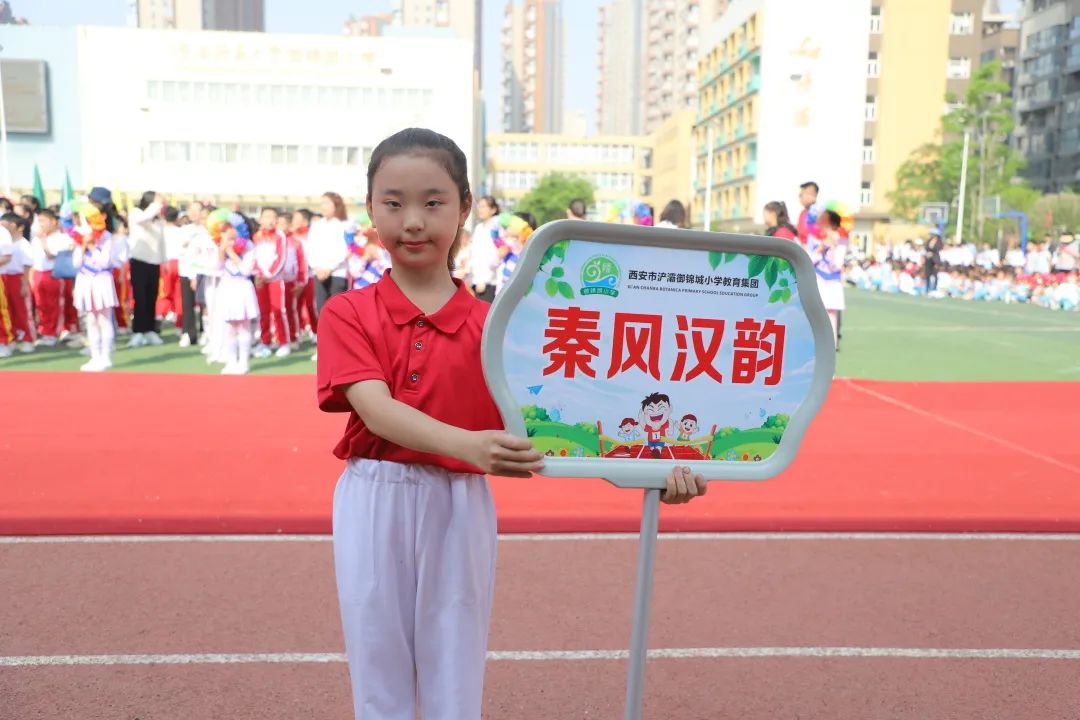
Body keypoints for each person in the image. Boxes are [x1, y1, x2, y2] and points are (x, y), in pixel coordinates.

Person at [316, 127, 707, 720]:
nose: (413, 221)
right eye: (393, 203)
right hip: (375, 494)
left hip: (459, 500)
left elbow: (571, 423)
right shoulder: (348, 310)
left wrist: (656, 471)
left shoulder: (500, 327)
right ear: (369, 207)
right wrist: (470, 446)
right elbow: (376, 409)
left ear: (466, 207)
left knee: (455, 655)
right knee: (378, 658)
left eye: (433, 201)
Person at [71, 205, 118, 371]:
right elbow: (76, 263)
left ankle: (106, 356)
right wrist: (83, 246)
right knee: (91, 320)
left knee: (104, 319)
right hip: (85, 281)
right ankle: (94, 356)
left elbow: (105, 262)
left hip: (101, 280)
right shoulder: (79, 238)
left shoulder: (107, 238)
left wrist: (92, 247)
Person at [213, 217, 259, 375]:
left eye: (230, 230)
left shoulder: (249, 246)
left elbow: (246, 271)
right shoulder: (221, 247)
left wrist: (231, 253)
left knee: (243, 327)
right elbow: (216, 269)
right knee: (230, 327)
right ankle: (231, 361)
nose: (227, 235)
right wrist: (221, 251)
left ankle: (244, 361)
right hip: (227, 289)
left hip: (242, 288)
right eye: (224, 231)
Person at [127, 191, 166, 346]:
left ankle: (150, 330)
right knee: (140, 297)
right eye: (157, 201)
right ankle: (138, 331)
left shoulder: (158, 219)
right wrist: (156, 205)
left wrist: (164, 260)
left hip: (154, 261)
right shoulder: (136, 213)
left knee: (152, 296)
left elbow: (161, 241)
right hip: (139, 260)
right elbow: (143, 220)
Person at [252, 207, 292, 358]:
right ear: (261, 219)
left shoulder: (280, 236)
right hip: (261, 281)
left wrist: (267, 275)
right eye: (267, 216)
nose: (270, 220)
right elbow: (253, 257)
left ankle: (284, 342)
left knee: (278, 311)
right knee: (263, 312)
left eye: (273, 217)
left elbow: (280, 259)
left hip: (275, 280)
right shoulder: (257, 237)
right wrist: (257, 274)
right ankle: (265, 341)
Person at [29, 208, 70, 346]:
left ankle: (53, 333)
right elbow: (33, 260)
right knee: (41, 305)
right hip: (38, 274)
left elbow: (51, 255)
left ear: (53, 222)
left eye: (43, 221)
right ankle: (45, 331)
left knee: (53, 304)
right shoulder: (36, 239)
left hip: (54, 274)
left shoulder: (62, 237)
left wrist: (43, 241)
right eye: (39, 221)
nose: (40, 224)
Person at [307, 192, 350, 317]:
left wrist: (329, 268)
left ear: (336, 205)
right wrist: (316, 267)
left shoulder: (345, 225)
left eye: (327, 203)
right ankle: (323, 336)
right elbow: (310, 248)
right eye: (322, 203)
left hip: (338, 272)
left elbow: (345, 249)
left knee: (337, 311)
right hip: (319, 272)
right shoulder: (316, 226)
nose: (323, 206)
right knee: (321, 309)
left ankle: (338, 337)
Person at [811, 209, 846, 349]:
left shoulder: (841, 242)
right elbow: (809, 260)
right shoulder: (816, 239)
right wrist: (820, 248)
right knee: (815, 314)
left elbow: (837, 265)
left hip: (832, 283)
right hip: (818, 280)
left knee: (831, 316)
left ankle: (830, 348)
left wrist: (832, 249)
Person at [0, 212, 34, 352]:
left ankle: (28, 339)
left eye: (4, 224)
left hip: (18, 278)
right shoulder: (6, 241)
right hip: (4, 277)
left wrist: (25, 283)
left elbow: (27, 265)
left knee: (22, 310)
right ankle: (12, 337)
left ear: (13, 225)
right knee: (9, 310)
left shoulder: (24, 244)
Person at [468, 195, 502, 302]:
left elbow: (497, 255)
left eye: (483, 206)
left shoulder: (498, 227)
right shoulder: (479, 228)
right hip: (477, 282)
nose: (479, 209)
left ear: (493, 209)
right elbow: (475, 255)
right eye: (479, 206)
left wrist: (484, 280)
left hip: (491, 284)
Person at [924, 227, 944, 294]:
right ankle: (927, 289)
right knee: (927, 274)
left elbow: (938, 251)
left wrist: (933, 255)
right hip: (928, 259)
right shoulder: (929, 241)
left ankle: (934, 289)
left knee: (935, 275)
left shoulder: (939, 243)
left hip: (935, 260)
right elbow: (926, 248)